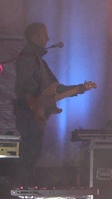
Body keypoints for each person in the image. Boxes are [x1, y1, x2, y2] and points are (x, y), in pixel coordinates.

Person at [13, 22, 95, 188]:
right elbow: (27, 82)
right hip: (29, 111)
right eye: (44, 35)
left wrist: (78, 88)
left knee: (34, 150)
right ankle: (23, 186)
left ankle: (26, 185)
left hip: (34, 112)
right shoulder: (26, 57)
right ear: (34, 37)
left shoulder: (40, 62)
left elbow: (55, 87)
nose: (48, 39)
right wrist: (40, 98)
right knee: (30, 150)